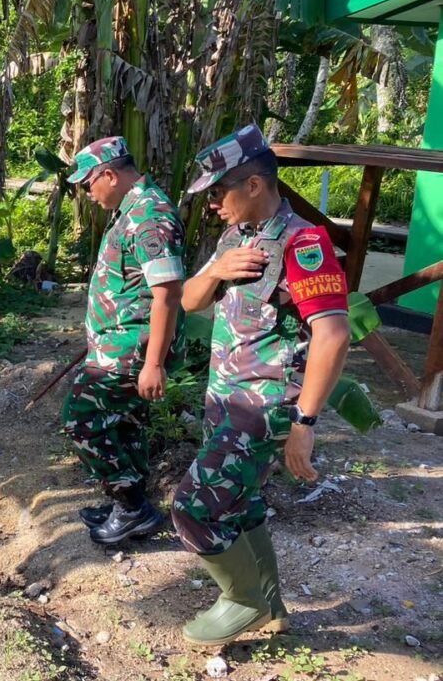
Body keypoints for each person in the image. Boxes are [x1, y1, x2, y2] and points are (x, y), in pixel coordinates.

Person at [174, 124, 351, 646]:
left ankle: (244, 600)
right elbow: (189, 300)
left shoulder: (304, 243)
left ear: (253, 185)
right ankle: (272, 607)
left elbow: (334, 335)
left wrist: (305, 422)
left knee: (193, 509)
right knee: (241, 505)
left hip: (264, 408)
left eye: (218, 191)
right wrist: (217, 270)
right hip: (226, 401)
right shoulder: (237, 238)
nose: (212, 205)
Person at [61, 135, 185, 545]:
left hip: (133, 347)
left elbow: (167, 292)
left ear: (110, 175)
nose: (88, 194)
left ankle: (131, 506)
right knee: (125, 425)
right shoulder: (131, 209)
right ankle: (130, 507)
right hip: (119, 341)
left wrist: (153, 363)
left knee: (82, 419)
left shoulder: (149, 215)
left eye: (88, 184)